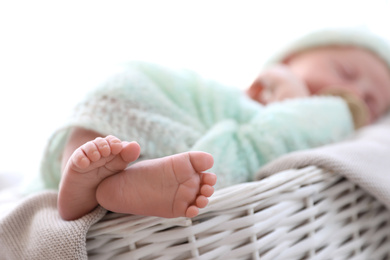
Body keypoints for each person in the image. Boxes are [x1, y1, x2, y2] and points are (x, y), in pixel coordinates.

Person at [39, 27, 390, 221]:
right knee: (110, 106)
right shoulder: (268, 86)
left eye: (370, 101)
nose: (352, 92)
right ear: (289, 59)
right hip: (160, 95)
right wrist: (291, 91)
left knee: (151, 161)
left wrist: (314, 108)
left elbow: (276, 132)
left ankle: (121, 187)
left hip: (182, 153)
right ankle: (80, 178)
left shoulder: (320, 123)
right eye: (345, 73)